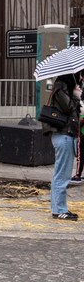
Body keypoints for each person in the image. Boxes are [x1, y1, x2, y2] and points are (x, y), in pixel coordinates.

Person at [43, 73, 81, 220]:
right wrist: (77, 96)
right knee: (62, 175)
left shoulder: (64, 87)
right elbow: (68, 108)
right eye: (80, 76)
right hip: (63, 135)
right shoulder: (61, 87)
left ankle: (60, 208)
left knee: (62, 173)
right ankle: (59, 210)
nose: (81, 79)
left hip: (66, 135)